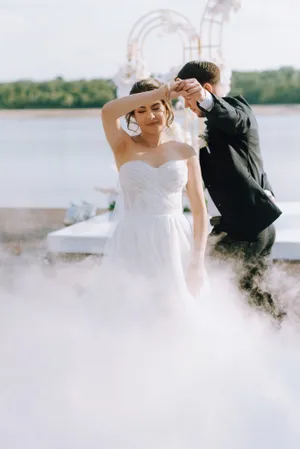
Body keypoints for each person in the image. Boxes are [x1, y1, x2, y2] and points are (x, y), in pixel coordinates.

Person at [176, 61, 283, 318]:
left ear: (207, 89)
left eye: (188, 100)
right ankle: (277, 342)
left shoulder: (237, 109)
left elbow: (235, 119)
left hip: (246, 228)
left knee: (217, 285)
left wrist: (205, 99)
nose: (187, 107)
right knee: (254, 295)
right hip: (245, 223)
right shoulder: (217, 124)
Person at [101, 77, 208, 300]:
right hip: (133, 241)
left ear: (167, 108)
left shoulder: (185, 152)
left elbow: (199, 211)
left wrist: (198, 262)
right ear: (133, 115)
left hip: (176, 242)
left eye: (156, 107)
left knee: (177, 309)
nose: (150, 116)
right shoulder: (123, 146)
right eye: (141, 110)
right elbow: (109, 112)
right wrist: (164, 91)